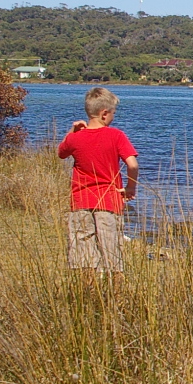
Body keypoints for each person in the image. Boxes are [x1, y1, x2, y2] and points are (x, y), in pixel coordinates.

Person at [57, 86, 139, 288]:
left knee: (83, 253)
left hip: (81, 200)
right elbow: (133, 164)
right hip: (109, 201)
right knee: (112, 253)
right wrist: (130, 188)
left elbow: (61, 152)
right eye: (113, 114)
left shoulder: (75, 138)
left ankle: (86, 294)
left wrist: (72, 130)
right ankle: (116, 296)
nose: (113, 117)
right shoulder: (116, 135)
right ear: (104, 113)